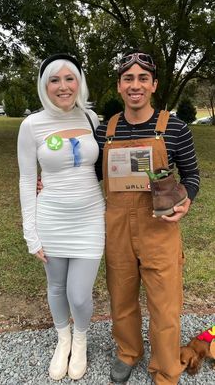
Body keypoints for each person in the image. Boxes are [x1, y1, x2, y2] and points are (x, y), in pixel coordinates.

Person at [95, 49, 200, 384]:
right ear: (119, 86)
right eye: (128, 78)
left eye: (143, 78)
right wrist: (47, 181)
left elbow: (193, 177)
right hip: (118, 231)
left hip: (160, 230)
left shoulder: (175, 128)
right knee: (122, 298)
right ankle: (128, 351)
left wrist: (186, 200)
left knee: (165, 305)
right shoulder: (104, 131)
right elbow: (85, 175)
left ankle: (167, 369)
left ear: (154, 85)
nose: (135, 85)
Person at [17, 53, 105, 381]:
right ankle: (63, 339)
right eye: (55, 80)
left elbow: (101, 169)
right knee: (56, 286)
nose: (63, 86)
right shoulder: (31, 126)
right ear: (45, 86)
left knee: (79, 293)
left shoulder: (92, 120)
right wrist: (31, 233)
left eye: (70, 79)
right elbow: (27, 179)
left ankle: (80, 339)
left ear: (79, 82)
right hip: (51, 217)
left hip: (90, 217)